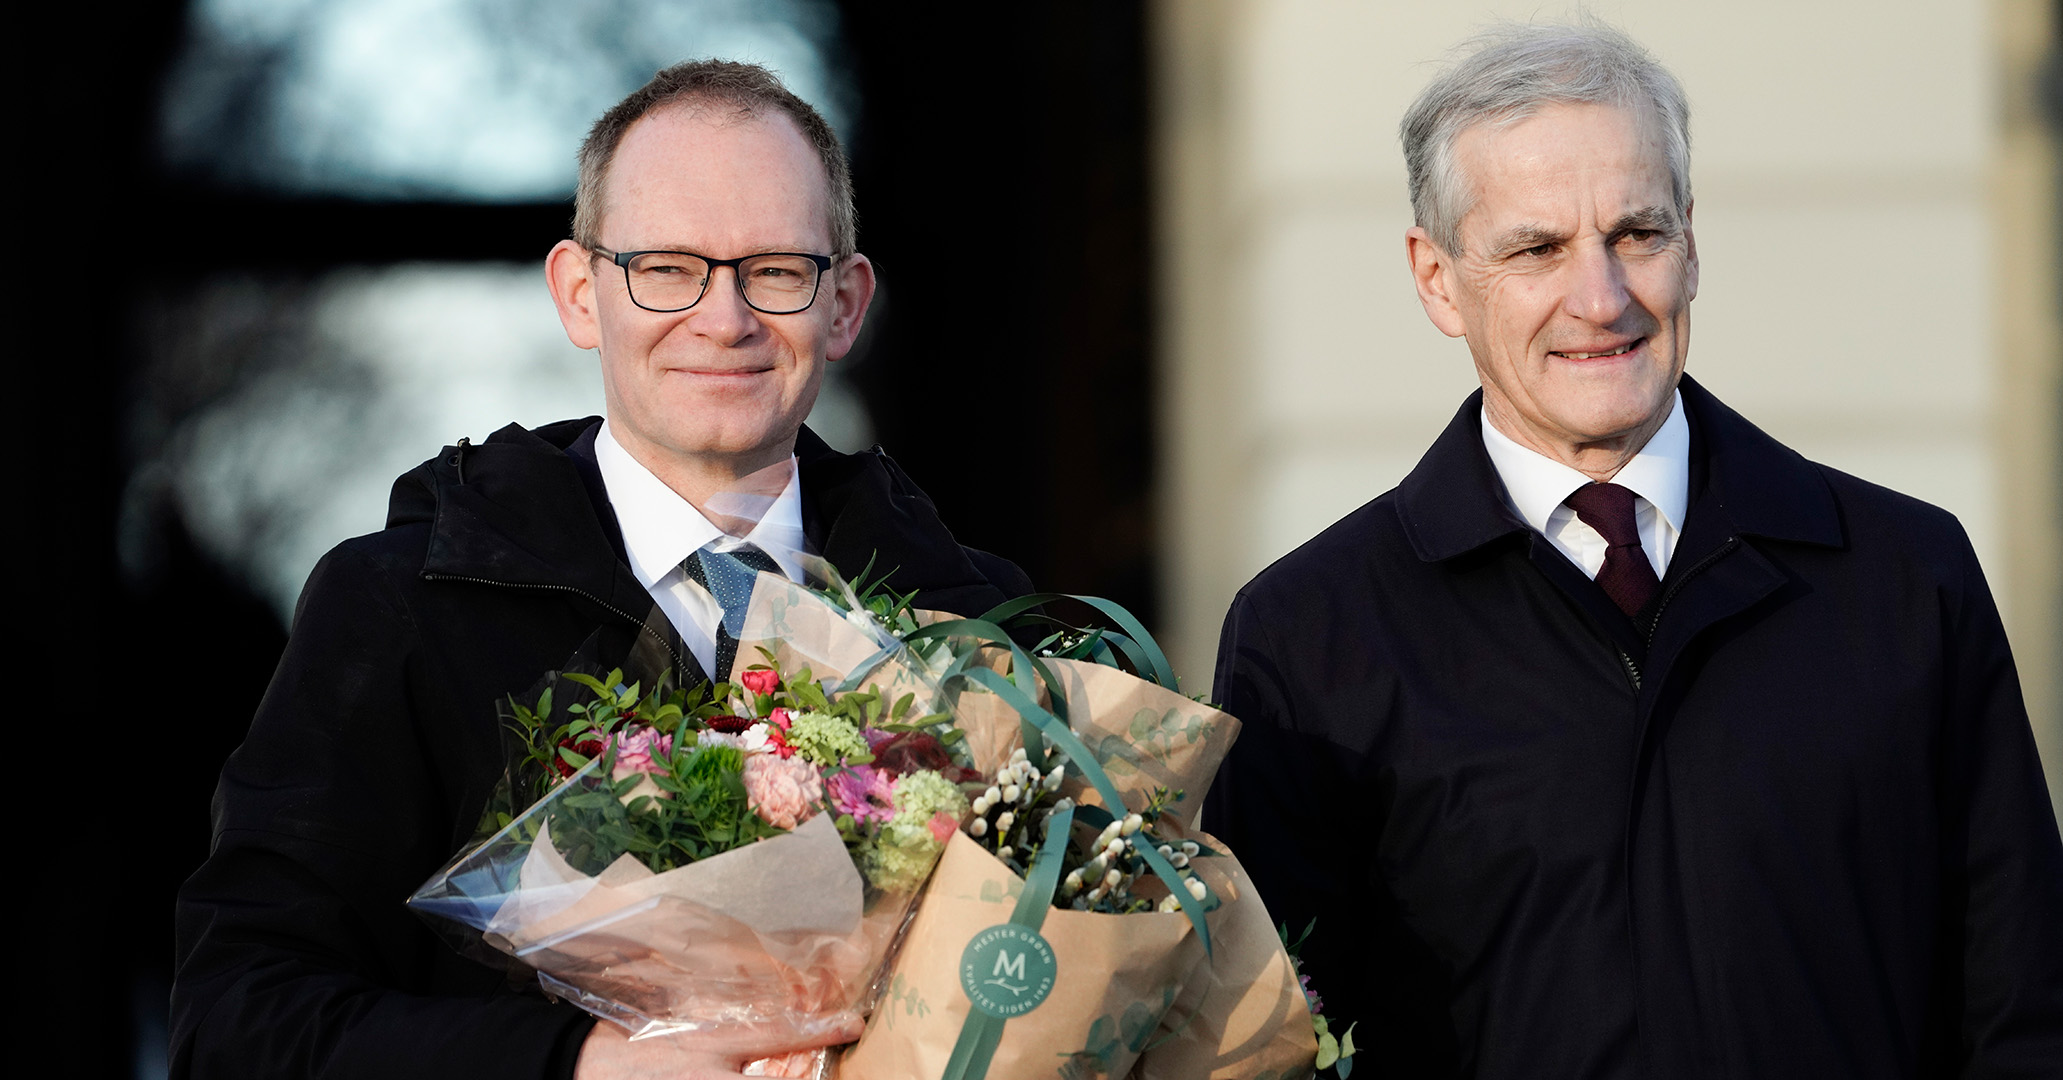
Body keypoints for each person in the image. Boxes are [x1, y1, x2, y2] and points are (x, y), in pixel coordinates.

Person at [1204, 21, 2063, 1079]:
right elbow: (1267, 1055)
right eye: (1535, 249)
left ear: (1691, 242)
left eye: (1636, 234)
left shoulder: (1903, 576)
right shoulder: (1308, 638)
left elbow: (2023, 1010)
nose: (1601, 299)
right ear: (1436, 279)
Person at [171, 60, 1032, 1080]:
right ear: (581, 294)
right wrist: (579, 1065)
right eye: (666, 267)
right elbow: (240, 1024)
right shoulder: (401, 610)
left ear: (843, 305)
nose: (725, 318)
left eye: (776, 269)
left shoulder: (979, 629)